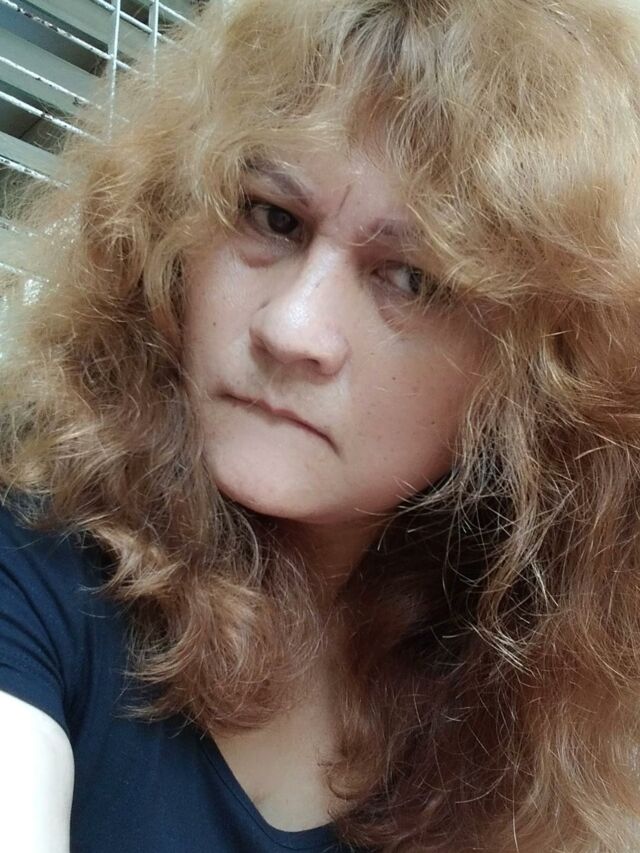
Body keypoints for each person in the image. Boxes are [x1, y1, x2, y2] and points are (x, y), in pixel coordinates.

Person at [1, 0, 640, 850]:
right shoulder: (35, 548)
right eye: (274, 218)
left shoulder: (521, 715)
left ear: (536, 378)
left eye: (410, 278)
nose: (291, 328)